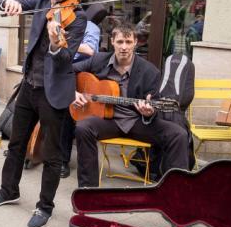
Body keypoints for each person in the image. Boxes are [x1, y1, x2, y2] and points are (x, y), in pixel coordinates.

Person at [0, 0, 87, 227]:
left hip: (54, 93)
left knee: (51, 154)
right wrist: (8, 2)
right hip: (29, 86)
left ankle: (45, 207)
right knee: (16, 143)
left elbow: (66, 59)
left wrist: (55, 43)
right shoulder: (41, 3)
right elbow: (6, 2)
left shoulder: (79, 16)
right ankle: (8, 191)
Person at [72, 22, 189, 187]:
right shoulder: (98, 60)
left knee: (178, 134)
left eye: (128, 42)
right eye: (120, 42)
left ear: (135, 42)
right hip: (108, 120)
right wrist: (73, 92)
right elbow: (68, 70)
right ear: (112, 41)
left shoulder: (150, 71)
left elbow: (154, 102)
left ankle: (176, 190)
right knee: (83, 128)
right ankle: (87, 189)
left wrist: (149, 112)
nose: (124, 47)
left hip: (137, 121)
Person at [60, 4, 104, 178]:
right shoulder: (61, 25)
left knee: (68, 116)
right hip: (60, 70)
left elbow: (90, 50)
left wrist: (65, 43)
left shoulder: (91, 27)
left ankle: (64, 161)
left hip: (80, 72)